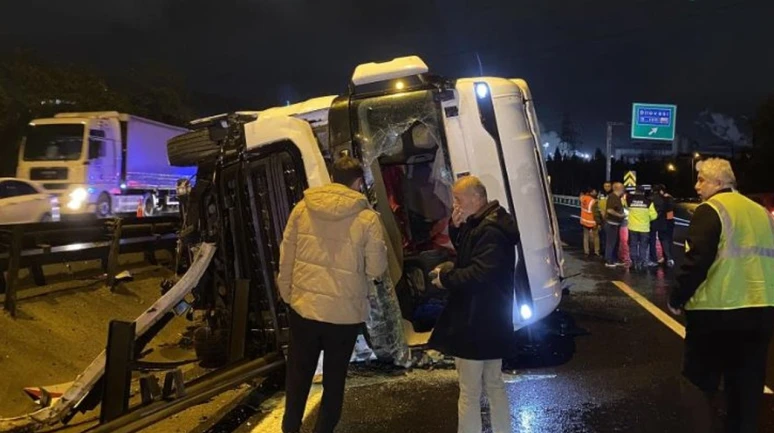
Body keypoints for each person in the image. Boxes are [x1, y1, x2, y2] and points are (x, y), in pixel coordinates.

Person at [277, 156, 388, 433]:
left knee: (298, 376)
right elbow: (376, 269)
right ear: (358, 182)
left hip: (305, 309)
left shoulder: (302, 209)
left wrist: (288, 294)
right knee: (334, 380)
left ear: (333, 178)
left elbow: (286, 256)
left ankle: (290, 428)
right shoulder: (367, 219)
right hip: (343, 316)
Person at [668, 158, 774, 433]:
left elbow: (697, 261)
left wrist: (677, 297)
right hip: (761, 311)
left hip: (717, 312)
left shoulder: (711, 210)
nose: (696, 185)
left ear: (718, 183)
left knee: (698, 383)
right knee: (747, 388)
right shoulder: (761, 212)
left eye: (701, 179)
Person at [428, 176, 517, 433]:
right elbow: (470, 255)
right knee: (494, 384)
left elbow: (477, 273)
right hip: (492, 319)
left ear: (476, 199)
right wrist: (456, 228)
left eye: (459, 199)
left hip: (475, 320)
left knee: (469, 391)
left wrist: (445, 278)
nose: (455, 204)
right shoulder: (487, 223)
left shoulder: (489, 230)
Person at [625, 185, 657, 271]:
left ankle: (634, 261)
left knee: (633, 244)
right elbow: (654, 216)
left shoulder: (629, 200)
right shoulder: (649, 202)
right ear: (643, 192)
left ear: (635, 191)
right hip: (644, 228)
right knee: (643, 245)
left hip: (632, 227)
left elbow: (625, 206)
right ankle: (642, 262)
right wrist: (647, 219)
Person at [649, 184, 676, 267]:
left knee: (652, 241)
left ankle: (653, 259)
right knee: (665, 240)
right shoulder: (667, 199)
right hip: (664, 222)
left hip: (653, 222)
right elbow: (670, 211)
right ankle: (669, 258)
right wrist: (670, 222)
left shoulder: (651, 199)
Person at [604, 182, 626, 267]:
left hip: (616, 224)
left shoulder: (617, 197)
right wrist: (620, 215)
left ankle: (615, 259)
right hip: (611, 224)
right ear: (619, 188)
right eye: (623, 188)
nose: (623, 189)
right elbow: (609, 210)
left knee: (616, 243)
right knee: (611, 243)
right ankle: (609, 261)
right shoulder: (612, 197)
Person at [580, 187, 602, 257]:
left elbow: (581, 197)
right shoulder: (593, 201)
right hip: (592, 222)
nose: (596, 193)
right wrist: (598, 222)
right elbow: (596, 214)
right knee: (596, 237)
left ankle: (586, 251)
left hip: (584, 221)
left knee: (585, 237)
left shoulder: (583, 198)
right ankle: (596, 251)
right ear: (591, 192)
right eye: (595, 191)